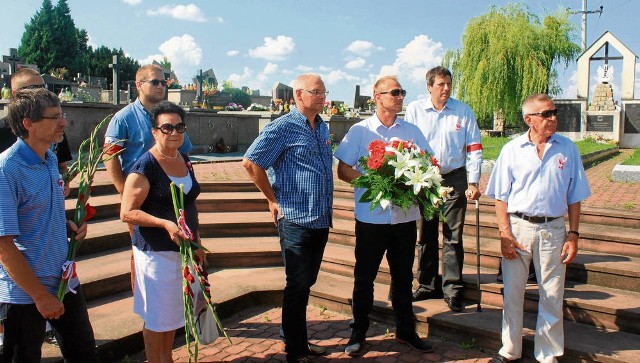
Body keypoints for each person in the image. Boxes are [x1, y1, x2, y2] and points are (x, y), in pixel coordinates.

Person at [485, 94, 591, 363]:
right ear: (528, 119)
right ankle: (510, 350)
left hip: (553, 229)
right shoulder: (512, 150)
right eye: (546, 114)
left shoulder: (568, 149)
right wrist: (504, 233)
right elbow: (501, 196)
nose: (553, 118)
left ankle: (547, 354)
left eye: (554, 113)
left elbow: (575, 196)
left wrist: (574, 234)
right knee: (513, 291)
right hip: (518, 228)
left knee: (552, 293)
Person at [334, 76, 434, 357]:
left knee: (403, 278)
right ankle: (358, 331)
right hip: (372, 219)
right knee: (364, 278)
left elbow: (429, 164)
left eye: (402, 92)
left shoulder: (412, 131)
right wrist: (377, 185)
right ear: (377, 97)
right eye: (394, 92)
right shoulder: (360, 131)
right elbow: (343, 170)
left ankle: (405, 330)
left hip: (404, 220)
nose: (400, 96)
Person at [0, 88, 97, 362]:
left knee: (84, 355)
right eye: (54, 117)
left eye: (62, 114)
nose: (64, 122)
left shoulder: (51, 158)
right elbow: (4, 246)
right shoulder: (6, 170)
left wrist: (66, 225)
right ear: (28, 124)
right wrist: (40, 297)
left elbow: (37, 213)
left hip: (65, 282)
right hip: (25, 294)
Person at [242, 74, 333, 363]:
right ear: (298, 94)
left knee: (305, 282)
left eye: (324, 92)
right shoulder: (282, 127)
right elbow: (251, 162)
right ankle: (295, 349)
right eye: (316, 92)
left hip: (320, 217)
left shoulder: (322, 126)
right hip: (294, 217)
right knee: (297, 284)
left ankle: (296, 339)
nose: (323, 97)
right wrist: (271, 199)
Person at [120, 101, 204, 363]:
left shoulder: (184, 159)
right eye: (167, 127)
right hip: (156, 255)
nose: (175, 133)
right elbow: (127, 212)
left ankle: (165, 358)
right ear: (154, 131)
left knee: (172, 317)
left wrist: (198, 243)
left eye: (180, 127)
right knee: (158, 319)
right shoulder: (145, 166)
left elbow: (190, 205)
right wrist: (165, 224)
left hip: (183, 252)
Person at [103, 64, 193, 290]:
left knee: (175, 254)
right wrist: (124, 191)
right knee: (143, 254)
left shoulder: (170, 117)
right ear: (139, 85)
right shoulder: (124, 118)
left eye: (164, 82)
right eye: (155, 82)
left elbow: (185, 152)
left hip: (171, 196)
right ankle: (147, 306)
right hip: (142, 197)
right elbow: (109, 155)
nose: (161, 86)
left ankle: (174, 304)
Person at [404, 66, 483, 311]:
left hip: (455, 178)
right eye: (441, 84)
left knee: (453, 235)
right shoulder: (415, 110)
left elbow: (474, 147)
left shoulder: (463, 111)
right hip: (426, 179)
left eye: (449, 84)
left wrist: (473, 182)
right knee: (425, 234)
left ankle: (452, 288)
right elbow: (408, 145)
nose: (446, 89)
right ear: (429, 86)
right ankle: (426, 284)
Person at [0, 68, 73, 196]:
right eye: (33, 88)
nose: (41, 93)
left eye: (43, 87)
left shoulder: (53, 130)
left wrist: (64, 182)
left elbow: (62, 167)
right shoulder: (2, 136)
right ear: (14, 93)